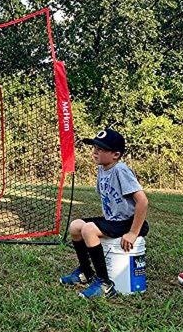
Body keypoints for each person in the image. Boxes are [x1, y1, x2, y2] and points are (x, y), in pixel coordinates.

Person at [60, 128, 149, 299]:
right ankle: (86, 272)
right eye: (94, 147)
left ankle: (104, 283)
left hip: (128, 222)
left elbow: (143, 201)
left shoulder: (120, 170)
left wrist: (132, 232)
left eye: (100, 149)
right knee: (75, 226)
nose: (95, 151)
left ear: (115, 155)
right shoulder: (102, 169)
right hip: (114, 220)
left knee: (89, 230)